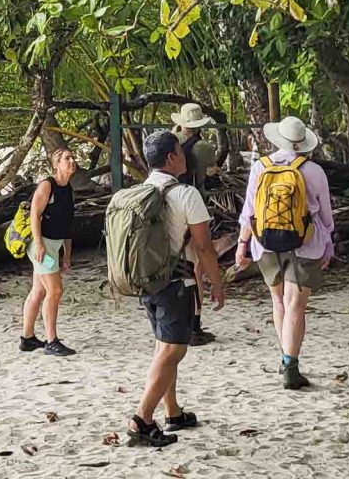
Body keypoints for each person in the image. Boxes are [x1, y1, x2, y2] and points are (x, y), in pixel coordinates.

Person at [126, 130, 225, 448]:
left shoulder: (142, 190)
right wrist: (215, 281)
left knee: (163, 346)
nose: (186, 156)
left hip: (147, 280)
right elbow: (204, 246)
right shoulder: (186, 194)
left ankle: (173, 412)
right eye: (181, 152)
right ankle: (142, 419)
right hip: (175, 281)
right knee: (173, 350)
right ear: (171, 158)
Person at [234, 116, 334, 390]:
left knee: (278, 301)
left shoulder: (260, 167)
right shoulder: (313, 170)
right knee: (296, 305)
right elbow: (325, 215)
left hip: (264, 242)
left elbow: (249, 212)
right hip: (304, 243)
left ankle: (284, 358)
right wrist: (328, 243)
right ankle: (291, 366)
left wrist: (242, 245)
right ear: (303, 143)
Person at [20, 148, 79, 356]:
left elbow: (67, 225)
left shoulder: (68, 189)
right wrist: (39, 243)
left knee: (39, 291)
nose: (72, 161)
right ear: (56, 164)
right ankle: (51, 340)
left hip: (54, 244)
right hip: (41, 244)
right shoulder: (48, 185)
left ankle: (27, 338)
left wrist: (67, 254)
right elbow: (34, 215)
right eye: (66, 158)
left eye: (73, 158)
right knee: (55, 291)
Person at [173, 102, 218, 346]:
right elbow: (210, 174)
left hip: (171, 205)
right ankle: (195, 323)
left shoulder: (169, 141)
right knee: (196, 267)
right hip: (194, 203)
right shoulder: (204, 147)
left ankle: (178, 320)